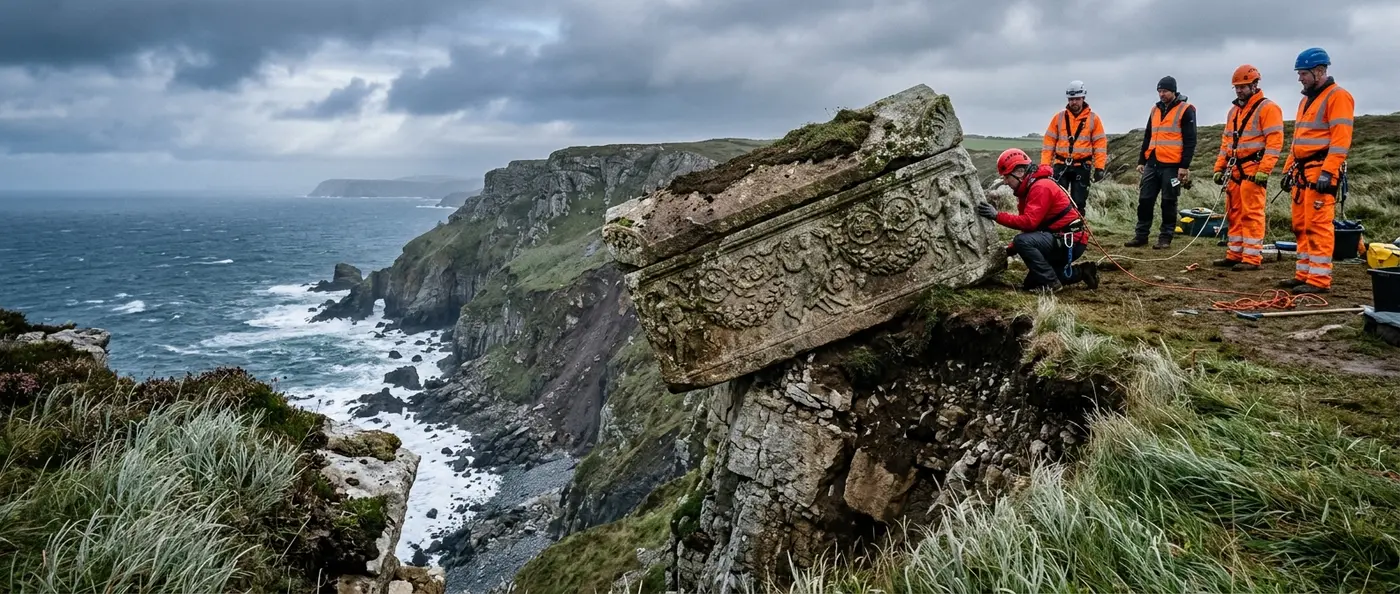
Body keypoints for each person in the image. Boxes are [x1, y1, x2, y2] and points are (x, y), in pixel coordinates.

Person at [1279, 47, 1354, 294]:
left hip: (1320, 172)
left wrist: (1328, 172)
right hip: (1302, 173)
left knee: (1319, 226)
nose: (1299, 78)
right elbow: (1298, 140)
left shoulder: (1338, 97)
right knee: (1301, 225)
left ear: (1319, 71)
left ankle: (1319, 280)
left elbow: (1341, 140)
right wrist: (1287, 169)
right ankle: (1304, 274)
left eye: (1303, 73)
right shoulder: (1305, 100)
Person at [976, 148, 1099, 293]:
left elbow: (1029, 223)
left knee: (1022, 241)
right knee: (1031, 284)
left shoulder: (1040, 187)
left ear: (1020, 172)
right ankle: (1085, 271)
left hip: (1069, 240)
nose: (1005, 182)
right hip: (1061, 239)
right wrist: (1010, 250)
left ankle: (1052, 284)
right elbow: (1029, 229)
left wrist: (997, 216)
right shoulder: (1027, 190)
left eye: (1006, 177)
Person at [1211, 64, 1284, 272]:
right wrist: (1219, 168)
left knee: (1251, 213)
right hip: (1234, 171)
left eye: (1243, 86)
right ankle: (1234, 254)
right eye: (1237, 87)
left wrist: (1265, 169)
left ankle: (1251, 258)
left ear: (1254, 85)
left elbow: (1275, 142)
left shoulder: (1268, 108)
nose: (1239, 90)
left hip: (1253, 169)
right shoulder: (1234, 111)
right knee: (1233, 213)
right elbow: (1226, 142)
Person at [1127, 76, 1198, 249]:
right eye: (1159, 91)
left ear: (1173, 91)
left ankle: (1165, 237)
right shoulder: (1155, 110)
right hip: (1153, 162)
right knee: (1145, 200)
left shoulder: (1186, 109)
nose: (1161, 94)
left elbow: (1191, 140)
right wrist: (1142, 160)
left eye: (1164, 91)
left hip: (1173, 165)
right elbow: (1148, 135)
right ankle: (1141, 235)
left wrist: (1184, 166)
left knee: (1169, 201)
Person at [1040, 80, 1108, 215]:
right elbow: (1048, 144)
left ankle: (1078, 232)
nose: (1074, 102)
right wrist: (1044, 167)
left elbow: (1100, 145)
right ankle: (1059, 230)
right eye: (1071, 99)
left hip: (1082, 166)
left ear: (1083, 98)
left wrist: (1100, 167)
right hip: (1060, 165)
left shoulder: (1093, 119)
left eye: (1077, 99)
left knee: (1079, 201)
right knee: (1057, 201)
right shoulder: (1058, 118)